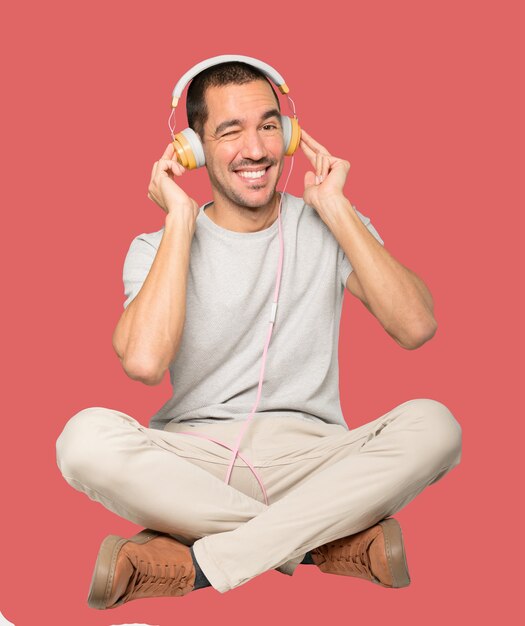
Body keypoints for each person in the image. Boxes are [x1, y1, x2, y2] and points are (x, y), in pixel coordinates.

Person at [55, 59, 462, 610]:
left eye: (270, 126)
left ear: (289, 136)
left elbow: (417, 327)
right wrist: (178, 220)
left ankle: (200, 564)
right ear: (192, 149)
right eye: (230, 131)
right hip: (194, 467)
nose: (257, 150)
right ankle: (321, 543)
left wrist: (336, 208)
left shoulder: (328, 222)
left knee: (436, 425)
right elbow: (144, 364)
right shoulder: (155, 247)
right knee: (82, 440)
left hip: (315, 460)